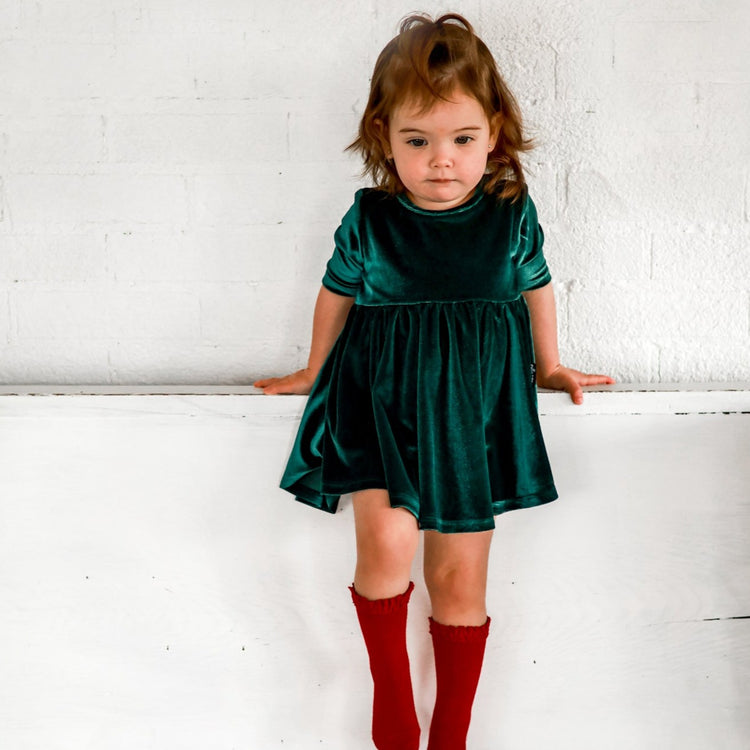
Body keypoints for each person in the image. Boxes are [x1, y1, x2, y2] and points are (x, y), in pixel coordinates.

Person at [255, 12, 614, 750]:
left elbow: (537, 287)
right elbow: (336, 292)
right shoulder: (372, 218)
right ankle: (393, 697)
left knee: (457, 579)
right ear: (384, 136)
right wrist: (314, 369)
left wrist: (549, 363)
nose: (441, 161)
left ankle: (452, 731)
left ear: (494, 135)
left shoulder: (508, 216)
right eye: (417, 141)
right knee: (386, 545)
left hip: (471, 418)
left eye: (462, 140)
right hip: (379, 405)